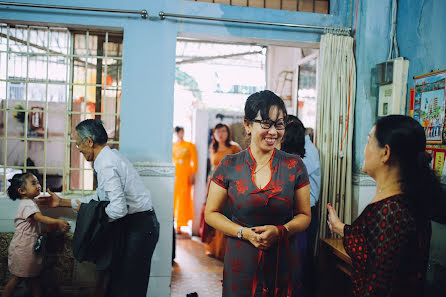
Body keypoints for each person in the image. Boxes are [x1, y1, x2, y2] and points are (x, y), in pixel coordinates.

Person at [205, 90, 311, 297]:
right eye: (266, 123)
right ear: (247, 125)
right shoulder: (230, 165)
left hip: (282, 258)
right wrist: (243, 232)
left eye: (279, 124)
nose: (273, 132)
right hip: (241, 260)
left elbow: (305, 215)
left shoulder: (294, 165)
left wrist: (281, 231)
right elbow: (211, 213)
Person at [327, 115, 445, 297]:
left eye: (368, 142)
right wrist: (339, 226)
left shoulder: (392, 213)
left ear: (385, 153)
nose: (364, 149)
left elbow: (379, 287)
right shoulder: (400, 205)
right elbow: (370, 242)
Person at [41, 119, 159, 297]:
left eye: (78, 143)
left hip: (140, 227)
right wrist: (63, 202)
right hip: (136, 225)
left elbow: (118, 209)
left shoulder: (106, 163)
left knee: (129, 288)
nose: (78, 148)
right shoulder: (109, 157)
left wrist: (95, 216)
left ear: (89, 141)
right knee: (120, 284)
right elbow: (100, 198)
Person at [3, 173, 70, 297]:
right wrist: (58, 221)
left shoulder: (29, 203)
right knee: (18, 279)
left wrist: (46, 231)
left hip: (27, 248)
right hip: (24, 249)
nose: (38, 186)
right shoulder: (27, 204)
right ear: (22, 190)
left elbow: (31, 228)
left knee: (33, 279)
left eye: (38, 182)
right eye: (33, 183)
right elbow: (40, 218)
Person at [281, 118, 321, 297]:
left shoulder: (304, 157)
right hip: (296, 212)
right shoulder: (300, 154)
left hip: (303, 212)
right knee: (296, 261)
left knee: (301, 262)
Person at [205, 123, 241, 260]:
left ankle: (227, 251)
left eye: (223, 131)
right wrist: (207, 188)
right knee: (215, 216)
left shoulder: (234, 148)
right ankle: (216, 248)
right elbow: (212, 170)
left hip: (230, 187)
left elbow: (241, 168)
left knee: (227, 217)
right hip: (214, 186)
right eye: (217, 131)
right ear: (213, 134)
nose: (220, 134)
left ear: (228, 132)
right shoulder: (213, 148)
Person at [172, 126, 198, 233]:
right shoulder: (173, 146)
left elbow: (195, 160)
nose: (181, 134)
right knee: (174, 198)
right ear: (176, 134)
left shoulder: (190, 145)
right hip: (175, 175)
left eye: (182, 132)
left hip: (185, 175)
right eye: (179, 133)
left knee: (183, 199)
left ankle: (180, 224)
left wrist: (193, 174)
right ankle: (172, 222)